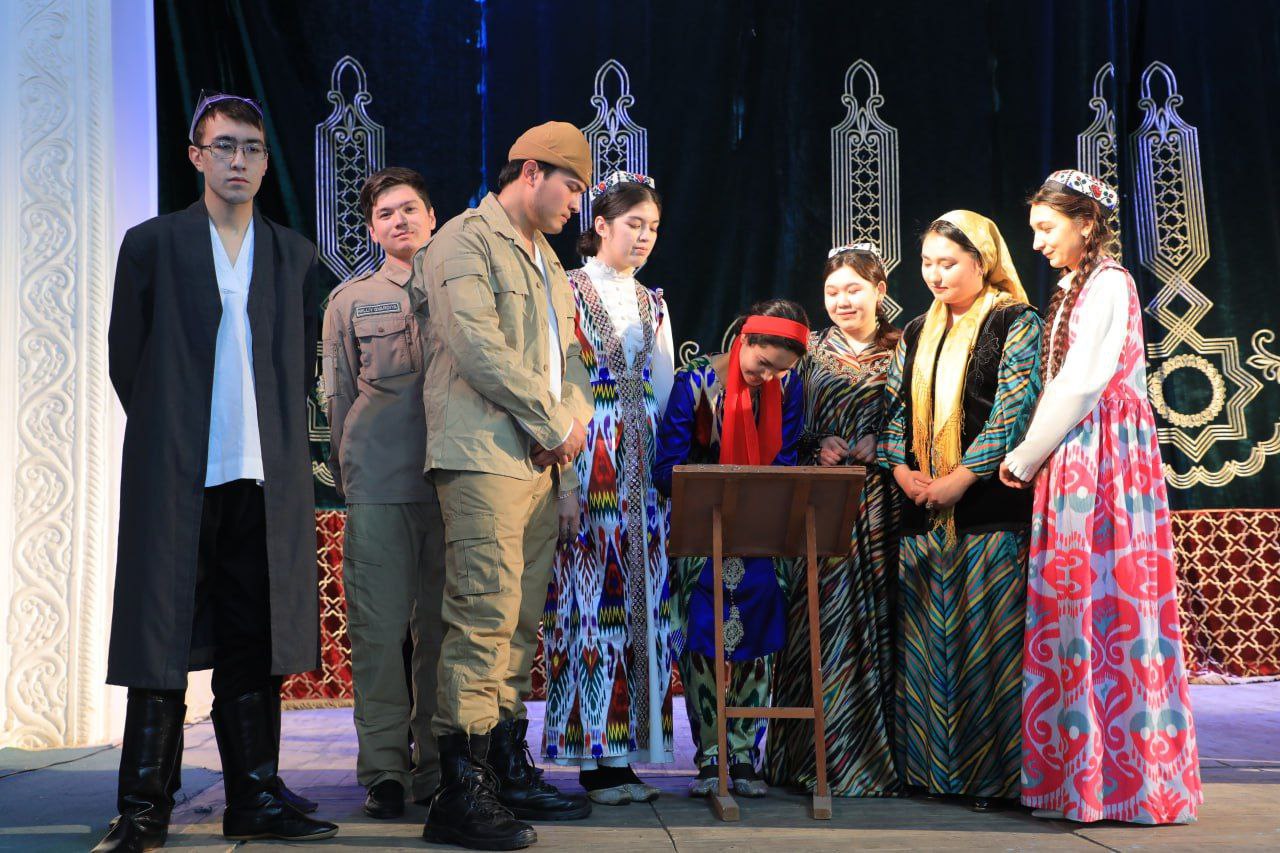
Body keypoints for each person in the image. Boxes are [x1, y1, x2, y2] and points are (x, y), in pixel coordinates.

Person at [94, 90, 337, 851]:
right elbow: (127, 359)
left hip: (263, 477)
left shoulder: (293, 253)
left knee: (253, 639)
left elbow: (298, 365)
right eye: (224, 146)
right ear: (196, 156)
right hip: (177, 475)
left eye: (252, 149)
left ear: (265, 163)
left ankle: (254, 796)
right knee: (158, 636)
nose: (239, 160)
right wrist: (173, 428)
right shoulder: (153, 243)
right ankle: (143, 808)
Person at [413, 122, 596, 850]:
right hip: (483, 452)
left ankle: (504, 766)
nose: (576, 206)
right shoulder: (462, 240)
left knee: (520, 623)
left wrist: (569, 429)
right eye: (571, 188)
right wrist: (554, 421)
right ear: (530, 172)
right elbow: (476, 345)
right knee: (482, 615)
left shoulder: (550, 261)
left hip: (540, 463)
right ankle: (459, 791)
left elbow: (573, 361)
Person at [1000, 169, 1203, 824]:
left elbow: (1084, 381)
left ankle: (1125, 780)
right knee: (1075, 608)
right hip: (1078, 454)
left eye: (1046, 228)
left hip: (1103, 456)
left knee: (1110, 606)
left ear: (1086, 224)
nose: (1037, 242)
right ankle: (1078, 777)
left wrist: (1026, 454)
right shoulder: (1074, 287)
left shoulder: (1109, 283)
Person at [877, 211, 1043, 812]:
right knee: (926, 643)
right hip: (922, 508)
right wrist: (901, 470)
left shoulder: (1016, 321)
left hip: (988, 508)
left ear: (982, 261)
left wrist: (962, 478)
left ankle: (992, 780)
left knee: (987, 643)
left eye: (948, 262)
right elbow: (895, 410)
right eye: (927, 263)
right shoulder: (917, 329)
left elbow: (1014, 410)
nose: (936, 274)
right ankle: (929, 772)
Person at [540, 172, 676, 805]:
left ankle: (626, 756)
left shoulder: (653, 303)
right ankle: (594, 758)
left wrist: (667, 470)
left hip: (642, 464)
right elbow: (550, 377)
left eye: (652, 228)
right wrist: (565, 476)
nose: (644, 237)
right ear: (600, 225)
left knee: (643, 604)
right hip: (586, 449)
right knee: (590, 602)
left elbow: (665, 387)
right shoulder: (563, 290)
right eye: (633, 225)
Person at [322, 167, 445, 819]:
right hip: (378, 482)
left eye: (410, 209)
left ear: (432, 216)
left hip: (454, 482)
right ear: (372, 230)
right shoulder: (350, 301)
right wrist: (351, 475)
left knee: (444, 633)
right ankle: (385, 771)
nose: (400, 221)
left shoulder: (463, 291)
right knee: (377, 631)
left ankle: (438, 765)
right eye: (386, 214)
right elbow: (339, 393)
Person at [653, 299, 809, 799]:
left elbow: (786, 460)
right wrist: (717, 486)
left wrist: (756, 499)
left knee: (758, 633)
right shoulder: (695, 383)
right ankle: (710, 755)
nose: (767, 378)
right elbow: (666, 467)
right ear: (745, 338)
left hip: (760, 533)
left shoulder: (787, 387)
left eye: (779, 370)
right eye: (762, 364)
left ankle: (743, 753)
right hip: (703, 532)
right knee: (703, 635)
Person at [766, 244, 901, 797]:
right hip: (820, 505)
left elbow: (920, 423)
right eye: (832, 291)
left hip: (883, 509)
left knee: (884, 623)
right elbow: (784, 428)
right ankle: (810, 758)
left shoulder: (905, 350)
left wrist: (883, 443)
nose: (842, 301)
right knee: (818, 623)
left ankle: (882, 762)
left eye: (854, 289)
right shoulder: (809, 353)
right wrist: (817, 444)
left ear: (879, 291)